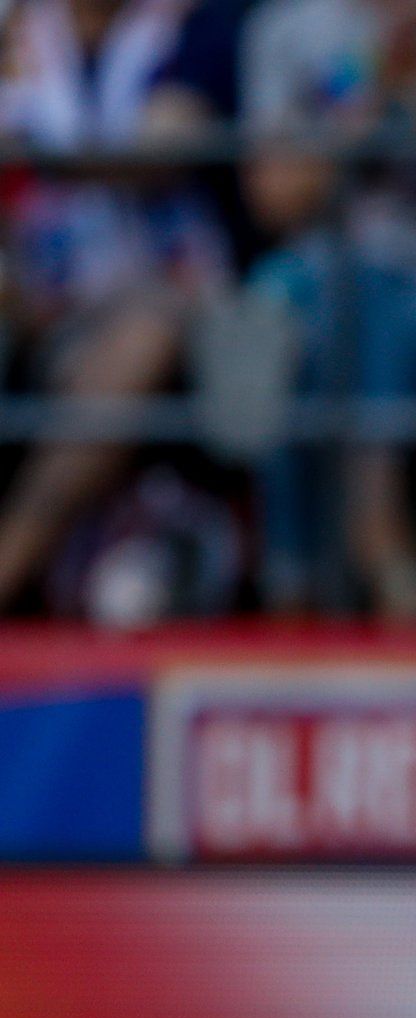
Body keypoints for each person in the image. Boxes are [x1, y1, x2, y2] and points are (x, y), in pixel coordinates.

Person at [237, 0, 416, 617]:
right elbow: (276, 200)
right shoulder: (287, 28)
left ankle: (295, 578)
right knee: (309, 312)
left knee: (352, 301)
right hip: (318, 284)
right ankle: (375, 540)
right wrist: (368, 97)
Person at [0, 0, 231, 616]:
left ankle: (10, 563)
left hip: (168, 300)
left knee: (143, 334)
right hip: (35, 299)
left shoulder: (187, 27)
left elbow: (164, 149)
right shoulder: (16, 30)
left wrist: (42, 157)